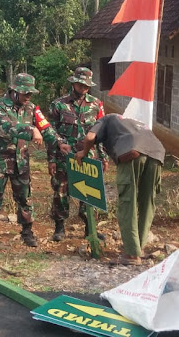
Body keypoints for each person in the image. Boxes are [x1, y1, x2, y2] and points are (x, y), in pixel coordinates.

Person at [0, 73, 71, 249]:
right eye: (25, 93)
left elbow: (46, 128)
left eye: (30, 93)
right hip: (0, 159)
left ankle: (27, 232)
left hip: (21, 160)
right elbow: (6, 127)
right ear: (14, 90)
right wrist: (31, 130)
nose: (28, 96)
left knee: (24, 198)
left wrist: (59, 143)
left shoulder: (32, 108)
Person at [75, 114, 164, 265]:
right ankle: (139, 248)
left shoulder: (105, 119)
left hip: (132, 152)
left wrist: (83, 152)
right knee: (147, 202)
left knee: (127, 203)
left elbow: (90, 137)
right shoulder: (134, 120)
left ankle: (131, 254)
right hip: (157, 153)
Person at [47, 67, 107, 242]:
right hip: (64, 157)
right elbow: (51, 133)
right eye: (81, 85)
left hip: (89, 156)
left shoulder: (97, 105)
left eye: (87, 86)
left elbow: (101, 133)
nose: (84, 88)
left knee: (90, 192)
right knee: (60, 192)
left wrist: (103, 157)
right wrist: (51, 159)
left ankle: (90, 229)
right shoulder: (58, 104)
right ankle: (59, 228)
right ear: (73, 83)